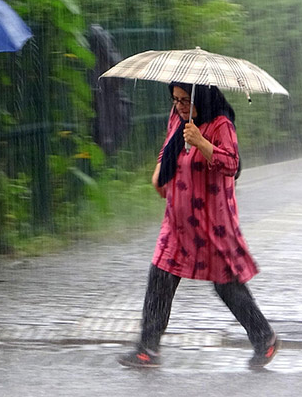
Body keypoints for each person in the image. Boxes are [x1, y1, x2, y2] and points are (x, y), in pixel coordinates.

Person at [117, 82, 279, 369]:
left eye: (184, 100)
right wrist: (159, 172)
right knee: (160, 277)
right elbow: (168, 146)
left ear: (201, 98)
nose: (179, 106)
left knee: (226, 285)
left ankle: (264, 337)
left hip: (211, 223)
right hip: (177, 221)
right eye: (175, 99)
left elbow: (232, 164)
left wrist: (203, 143)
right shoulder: (177, 117)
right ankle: (147, 349)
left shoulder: (221, 124)